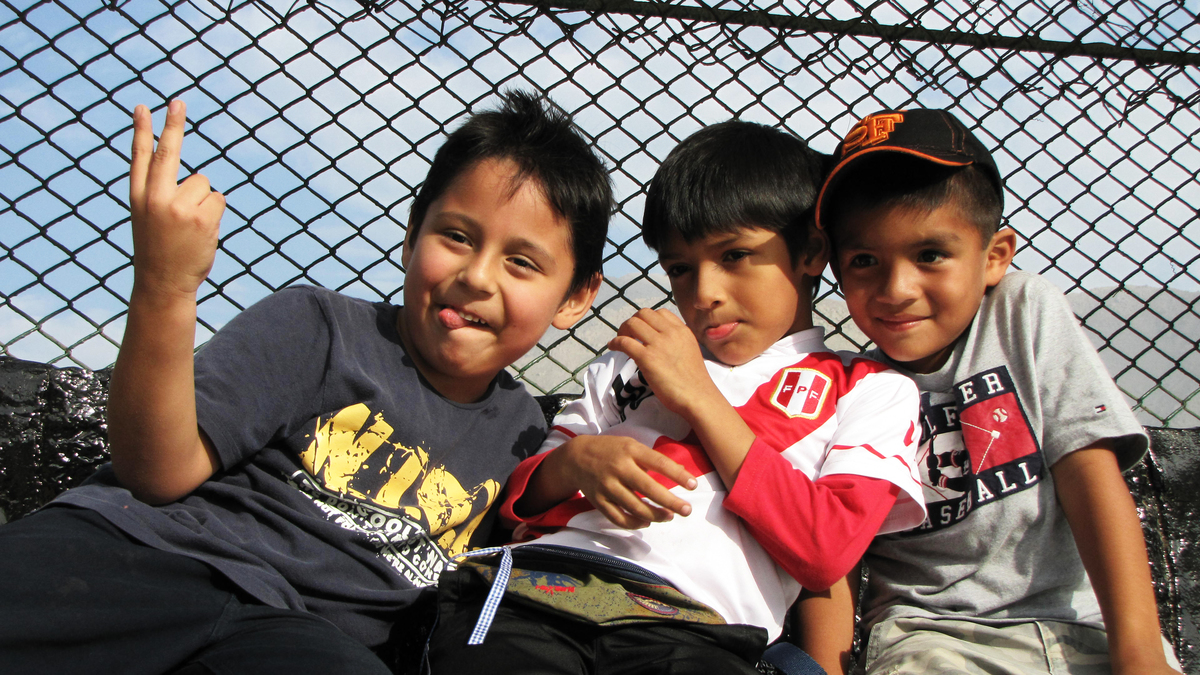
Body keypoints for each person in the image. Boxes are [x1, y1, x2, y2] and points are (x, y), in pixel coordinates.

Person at [0, 90, 611, 675]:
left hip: (301, 636)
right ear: (410, 237)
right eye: (456, 236)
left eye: (521, 262)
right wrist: (166, 284)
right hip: (155, 553)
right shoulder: (319, 327)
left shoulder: (523, 434)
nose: (476, 276)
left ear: (575, 297)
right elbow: (157, 472)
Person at [425, 120, 927, 674]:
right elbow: (517, 502)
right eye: (681, 269)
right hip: (544, 588)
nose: (704, 293)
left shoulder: (871, 389)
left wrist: (699, 397)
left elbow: (824, 549)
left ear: (810, 250)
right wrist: (577, 462)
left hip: (696, 626)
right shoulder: (629, 362)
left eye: (734, 255)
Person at [808, 108, 1180, 675]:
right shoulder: (846, 387)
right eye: (864, 261)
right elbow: (833, 545)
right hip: (931, 636)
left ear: (994, 257)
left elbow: (1088, 472)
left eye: (930, 255)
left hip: (1079, 625)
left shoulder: (1021, 312)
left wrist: (1140, 652)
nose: (896, 288)